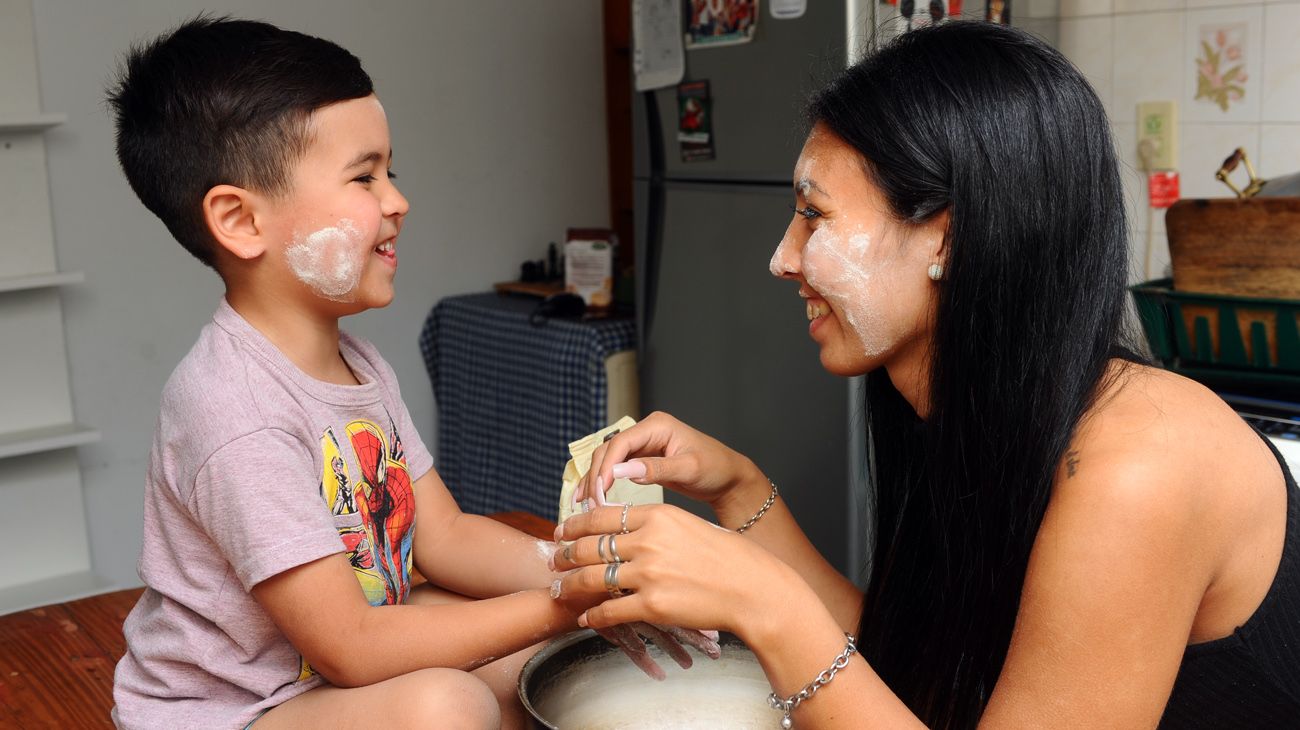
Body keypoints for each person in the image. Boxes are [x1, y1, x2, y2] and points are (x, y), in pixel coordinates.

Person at [555, 21, 1300, 729]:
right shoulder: (960, 402)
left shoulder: (1137, 471)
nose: (782, 258)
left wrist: (768, 605)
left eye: (813, 217)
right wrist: (738, 487)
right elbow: (913, 674)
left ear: (950, 237)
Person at [106, 17, 708, 730]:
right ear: (240, 221)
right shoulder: (232, 409)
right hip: (234, 708)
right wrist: (560, 603)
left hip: (332, 668)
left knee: (551, 664)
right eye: (364, 176)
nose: (397, 200)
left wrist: (594, 567)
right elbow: (351, 650)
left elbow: (444, 538)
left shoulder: (358, 363)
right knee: (445, 707)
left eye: (391, 171)